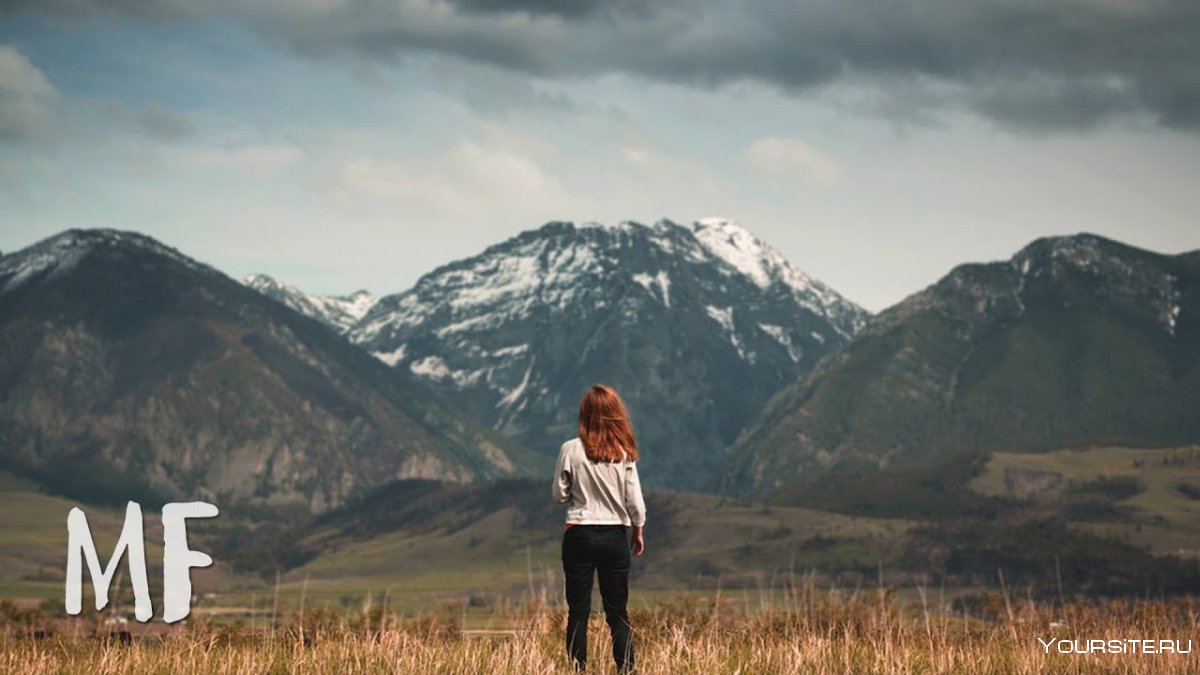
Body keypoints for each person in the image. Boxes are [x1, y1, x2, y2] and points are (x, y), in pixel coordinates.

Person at [552, 384, 647, 674]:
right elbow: (635, 501)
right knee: (617, 612)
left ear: (585, 414)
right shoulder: (624, 452)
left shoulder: (570, 449)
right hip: (614, 535)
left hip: (578, 532)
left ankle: (579, 669)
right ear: (615, 414)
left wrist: (576, 495)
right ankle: (626, 670)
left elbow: (558, 494)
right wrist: (638, 530)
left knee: (578, 613)